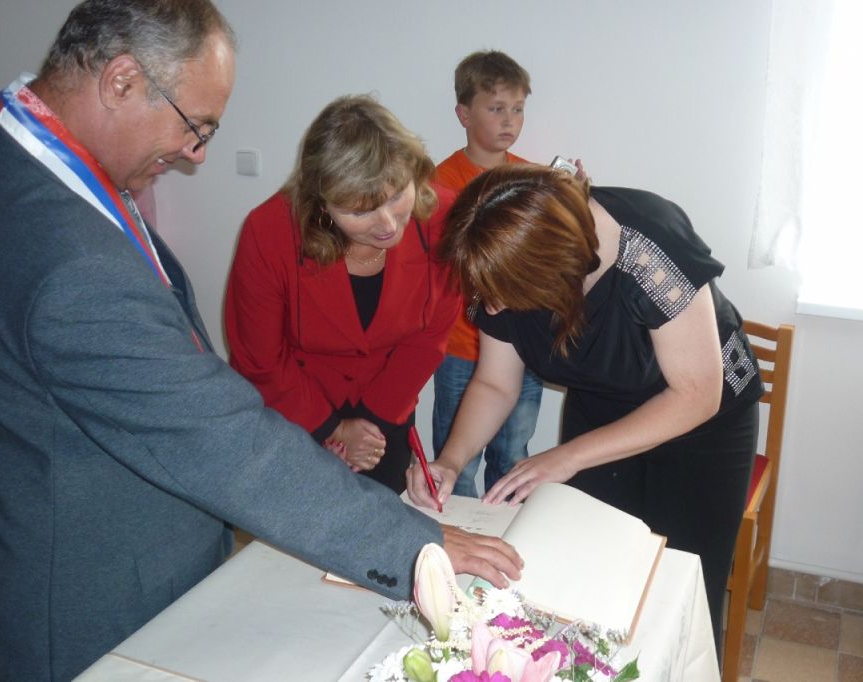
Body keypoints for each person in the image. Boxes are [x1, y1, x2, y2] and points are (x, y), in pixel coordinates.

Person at [0, 3, 519, 680]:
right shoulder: (73, 260)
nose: (197, 153)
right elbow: (217, 435)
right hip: (92, 592)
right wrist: (416, 545)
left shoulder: (11, 163)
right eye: (196, 126)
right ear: (121, 82)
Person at [408, 165, 764, 662]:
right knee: (591, 578)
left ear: (556, 270)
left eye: (504, 294)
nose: (490, 307)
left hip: (701, 422)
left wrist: (568, 457)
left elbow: (698, 394)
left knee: (683, 590)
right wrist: (451, 459)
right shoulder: (500, 261)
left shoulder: (650, 246)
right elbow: (495, 383)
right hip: (599, 414)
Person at [225, 95, 460, 494]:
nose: (388, 225)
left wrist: (369, 428)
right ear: (321, 204)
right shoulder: (269, 232)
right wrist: (332, 428)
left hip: (386, 408)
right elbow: (259, 357)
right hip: (295, 407)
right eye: (360, 211)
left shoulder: (444, 219)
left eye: (397, 196)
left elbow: (430, 337)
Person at [432, 50, 545, 497]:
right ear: (464, 114)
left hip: (523, 347)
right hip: (462, 347)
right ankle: (455, 535)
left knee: (513, 458)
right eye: (496, 108)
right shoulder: (440, 184)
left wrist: (574, 200)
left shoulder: (533, 179)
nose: (509, 120)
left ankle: (506, 534)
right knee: (456, 464)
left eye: (517, 109)